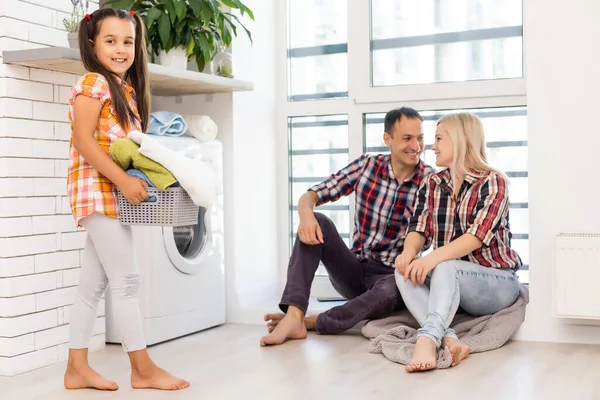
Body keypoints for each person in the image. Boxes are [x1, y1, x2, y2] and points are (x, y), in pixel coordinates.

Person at [63, 8, 189, 391]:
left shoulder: (124, 91)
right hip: (96, 192)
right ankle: (142, 368)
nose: (121, 49)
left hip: (109, 194)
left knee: (93, 285)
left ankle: (76, 368)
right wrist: (121, 178)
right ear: (92, 44)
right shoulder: (93, 83)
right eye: (110, 41)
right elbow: (84, 141)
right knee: (128, 280)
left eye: (128, 41)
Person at [261, 107, 434, 346]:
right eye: (407, 138)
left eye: (420, 138)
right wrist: (305, 214)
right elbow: (312, 194)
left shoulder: (431, 181)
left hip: (392, 278)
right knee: (318, 220)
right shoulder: (367, 166)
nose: (416, 146)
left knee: (393, 288)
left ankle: (314, 321)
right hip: (355, 270)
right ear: (388, 139)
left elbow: (427, 234)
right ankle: (294, 315)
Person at [394, 112, 522, 372]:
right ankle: (450, 339)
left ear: (460, 140)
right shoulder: (433, 183)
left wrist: (431, 258)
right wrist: (409, 252)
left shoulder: (493, 182)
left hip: (496, 283)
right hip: (451, 280)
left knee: (445, 265)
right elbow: (419, 226)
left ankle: (427, 338)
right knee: (403, 270)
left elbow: (476, 237)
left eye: (439, 139)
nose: (432, 146)